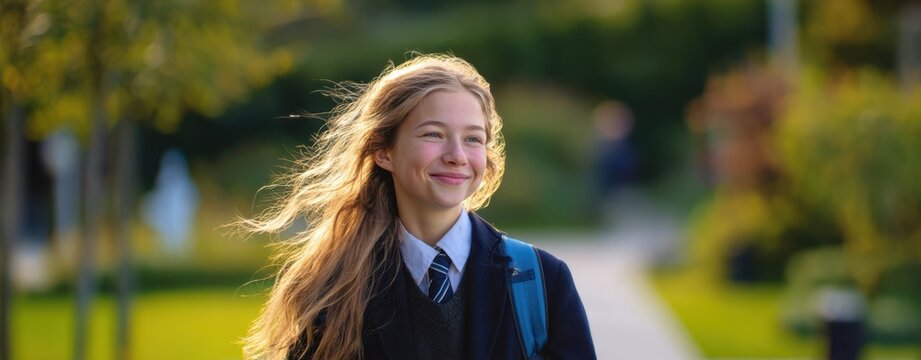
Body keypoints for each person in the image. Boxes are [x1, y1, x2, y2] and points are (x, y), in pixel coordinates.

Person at [239, 54, 595, 360]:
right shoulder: (332, 287)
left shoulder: (542, 281)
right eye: (434, 134)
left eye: (473, 138)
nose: (457, 156)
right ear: (384, 151)